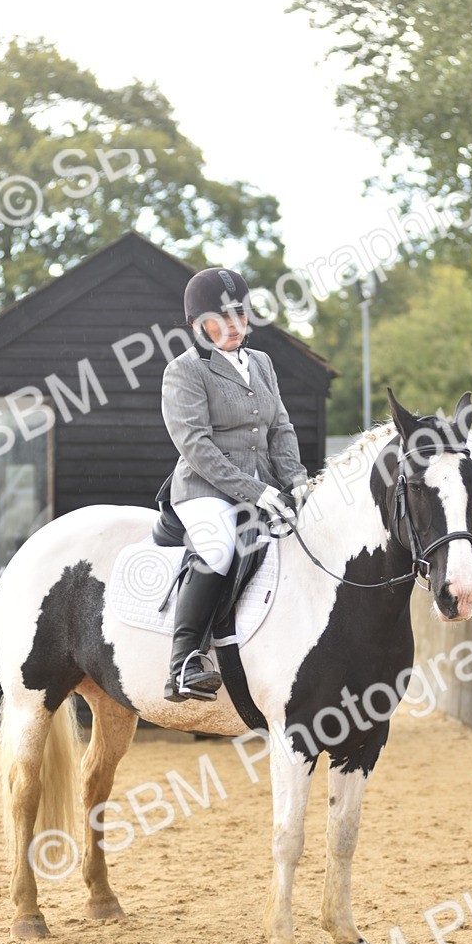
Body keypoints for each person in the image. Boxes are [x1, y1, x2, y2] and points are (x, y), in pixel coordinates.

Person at [160, 267, 307, 702]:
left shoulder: (262, 363)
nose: (233, 326)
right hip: (205, 489)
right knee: (220, 546)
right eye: (219, 319)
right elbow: (197, 447)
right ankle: (184, 663)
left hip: (267, 485)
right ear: (197, 325)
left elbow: (280, 427)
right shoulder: (184, 371)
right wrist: (258, 491)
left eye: (239, 314)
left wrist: (296, 481)